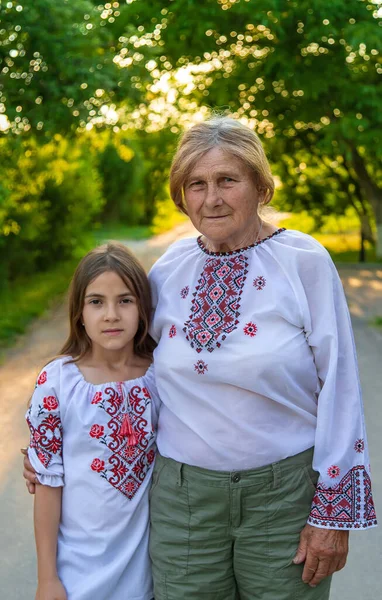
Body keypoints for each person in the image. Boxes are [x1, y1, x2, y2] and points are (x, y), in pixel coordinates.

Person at [25, 117, 377, 600]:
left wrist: (332, 513)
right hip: (183, 504)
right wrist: (57, 448)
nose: (211, 198)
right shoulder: (169, 269)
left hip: (283, 499)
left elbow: (341, 386)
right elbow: (121, 358)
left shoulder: (304, 262)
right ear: (181, 195)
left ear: (259, 184)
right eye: (197, 184)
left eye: (227, 180)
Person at [24, 242, 159, 600]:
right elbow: (48, 485)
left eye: (125, 300)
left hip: (146, 570)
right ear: (79, 312)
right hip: (77, 572)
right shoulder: (57, 382)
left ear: (143, 309)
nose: (111, 314)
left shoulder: (161, 377)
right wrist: (47, 578)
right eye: (96, 301)